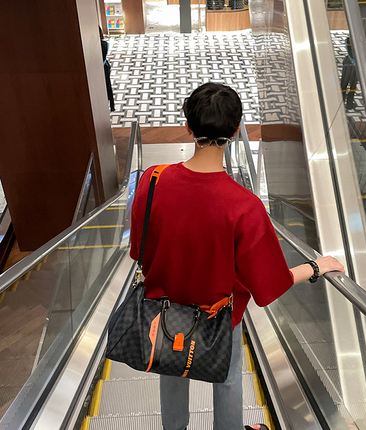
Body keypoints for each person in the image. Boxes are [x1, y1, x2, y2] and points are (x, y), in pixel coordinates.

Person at [130, 83, 344, 430]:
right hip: (218, 319)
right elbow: (269, 283)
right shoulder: (245, 207)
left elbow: (139, 250)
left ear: (189, 126)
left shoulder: (152, 182)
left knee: (169, 368)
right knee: (227, 378)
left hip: (165, 311)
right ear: (235, 130)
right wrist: (316, 266)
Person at [99, 26, 115, 112]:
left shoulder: (98, 46)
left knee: (105, 86)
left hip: (101, 68)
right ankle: (112, 105)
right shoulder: (105, 44)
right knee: (108, 85)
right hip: (106, 66)